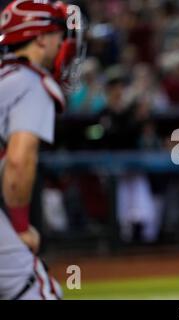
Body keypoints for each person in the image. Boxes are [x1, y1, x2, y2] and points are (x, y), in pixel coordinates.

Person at [0, 0, 84, 299]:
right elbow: (19, 160)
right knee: (39, 291)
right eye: (59, 34)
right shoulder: (30, 82)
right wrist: (22, 226)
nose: (63, 42)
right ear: (40, 37)